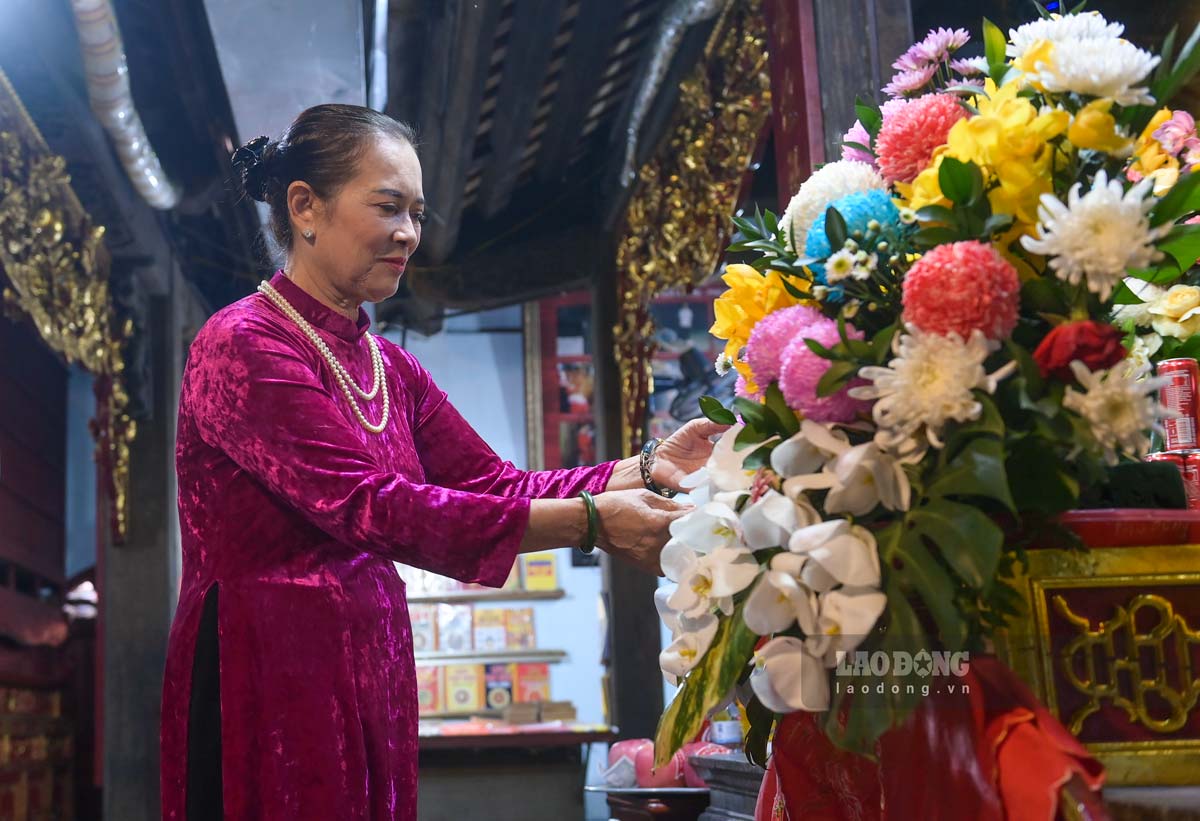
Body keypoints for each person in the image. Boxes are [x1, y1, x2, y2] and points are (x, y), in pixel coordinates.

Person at [159, 104, 727, 821]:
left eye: (417, 214)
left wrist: (643, 469)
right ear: (305, 207)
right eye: (388, 206)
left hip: (370, 661)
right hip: (264, 668)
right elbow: (372, 505)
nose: (408, 233)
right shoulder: (243, 342)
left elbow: (498, 485)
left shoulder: (389, 366)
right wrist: (591, 521)